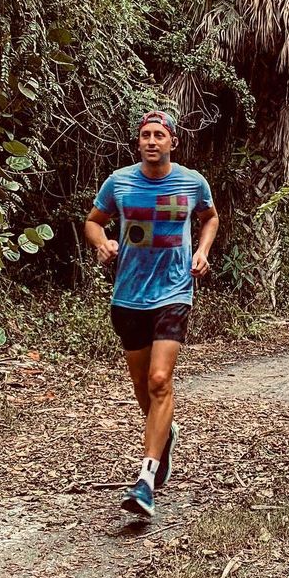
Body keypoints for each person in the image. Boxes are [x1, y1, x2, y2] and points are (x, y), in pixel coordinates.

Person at [84, 110, 219, 518]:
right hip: (128, 296)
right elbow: (93, 222)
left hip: (174, 291)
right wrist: (102, 242)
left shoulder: (192, 182)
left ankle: (146, 479)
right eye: (146, 135)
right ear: (138, 142)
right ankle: (165, 432)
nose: (152, 141)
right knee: (144, 387)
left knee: (160, 379)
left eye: (159, 135)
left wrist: (202, 251)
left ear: (172, 142)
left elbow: (210, 217)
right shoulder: (119, 182)